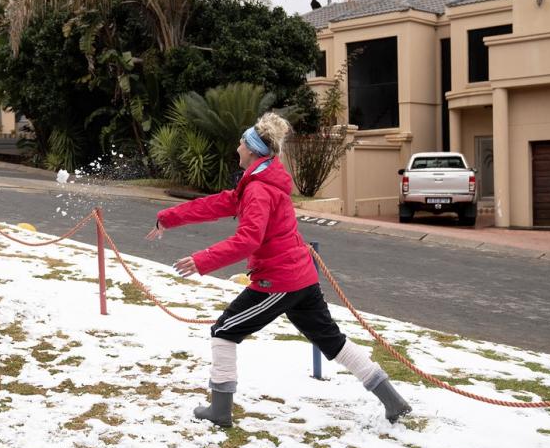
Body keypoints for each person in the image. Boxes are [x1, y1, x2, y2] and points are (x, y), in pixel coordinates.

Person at [146, 112, 412, 427]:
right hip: (299, 276)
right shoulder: (260, 180)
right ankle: (394, 402)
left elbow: (248, 240)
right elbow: (220, 203)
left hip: (279, 282)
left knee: (223, 331)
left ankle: (219, 410)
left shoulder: (259, 188)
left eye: (242, 142)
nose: (237, 147)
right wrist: (169, 217)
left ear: (253, 149)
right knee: (332, 340)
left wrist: (203, 260)